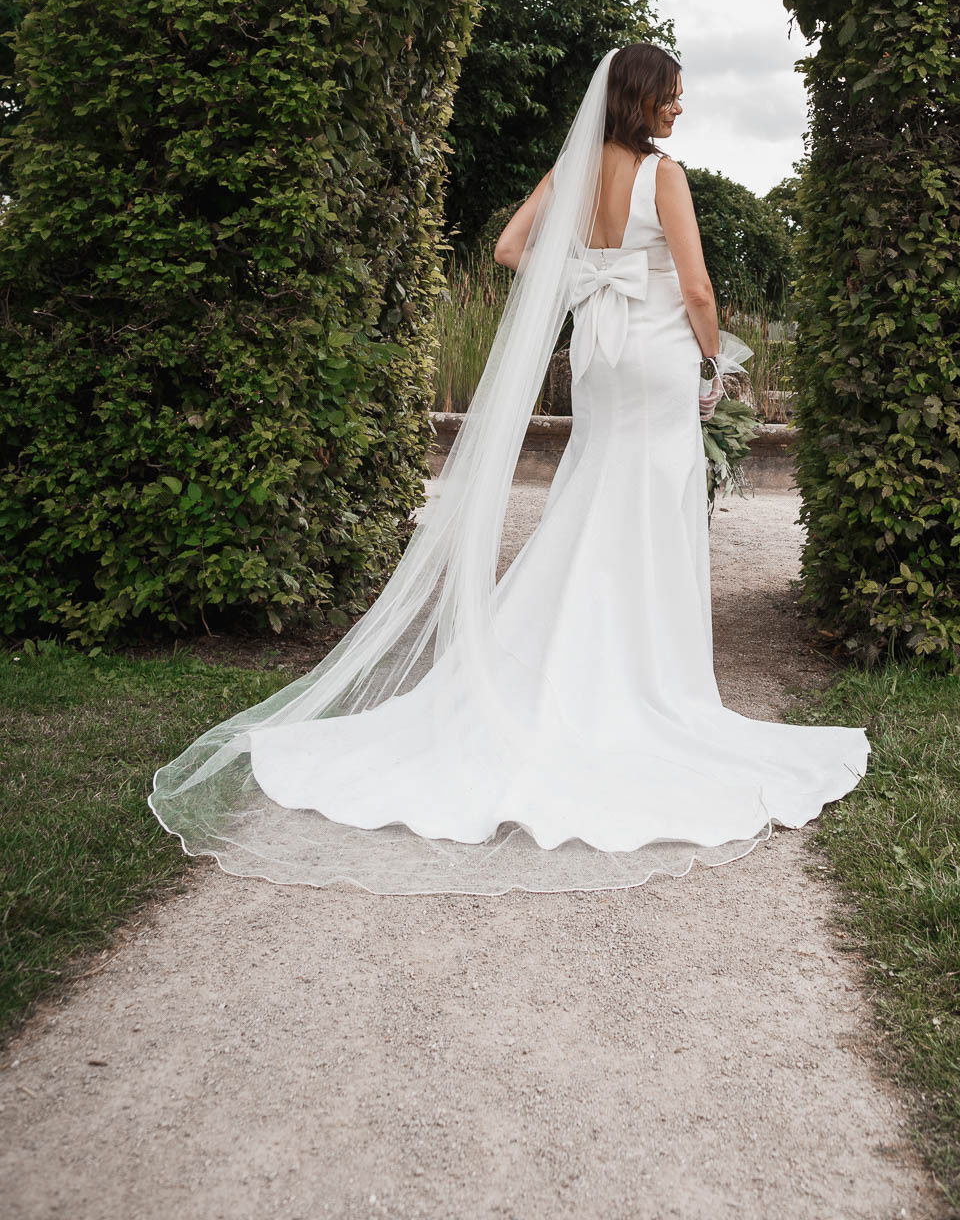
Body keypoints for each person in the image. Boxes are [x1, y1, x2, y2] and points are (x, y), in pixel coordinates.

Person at [149, 44, 867, 894]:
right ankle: (642, 676)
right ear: (641, 100)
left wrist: (590, 273)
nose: (679, 110)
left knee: (593, 497)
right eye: (672, 97)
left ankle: (551, 659)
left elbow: (507, 250)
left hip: (599, 355)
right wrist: (717, 365)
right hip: (657, 357)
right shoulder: (662, 175)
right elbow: (700, 290)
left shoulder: (570, 171)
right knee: (645, 507)